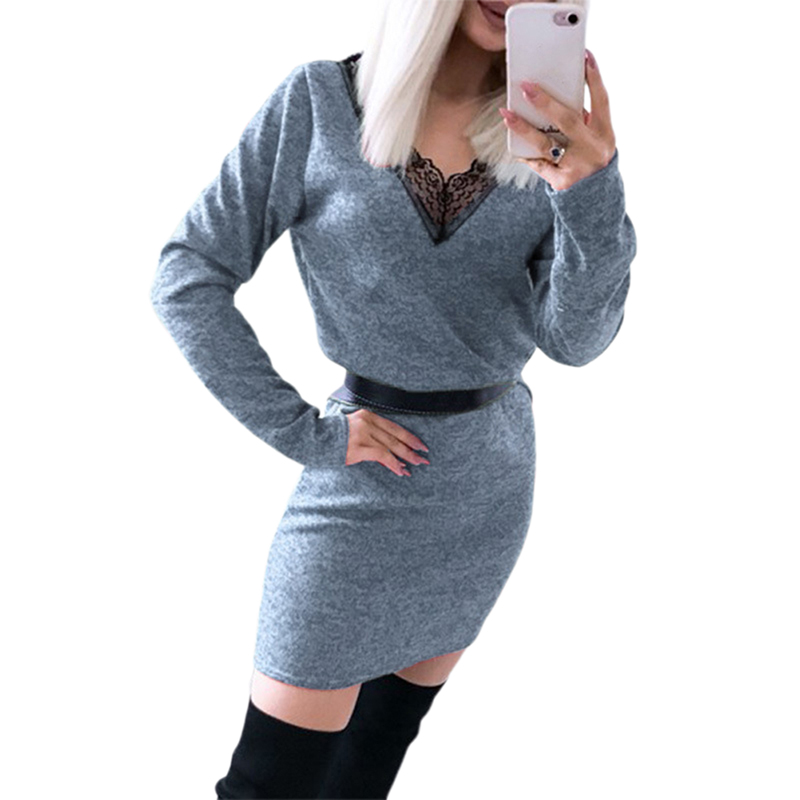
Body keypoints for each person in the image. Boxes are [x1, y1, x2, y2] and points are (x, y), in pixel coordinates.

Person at [150, 0, 636, 796]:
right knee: (269, 785)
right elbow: (188, 274)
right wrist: (305, 432)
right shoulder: (318, 103)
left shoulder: (554, 133)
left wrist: (592, 189)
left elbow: (575, 341)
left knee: (364, 770)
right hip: (357, 490)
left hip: (485, 493)